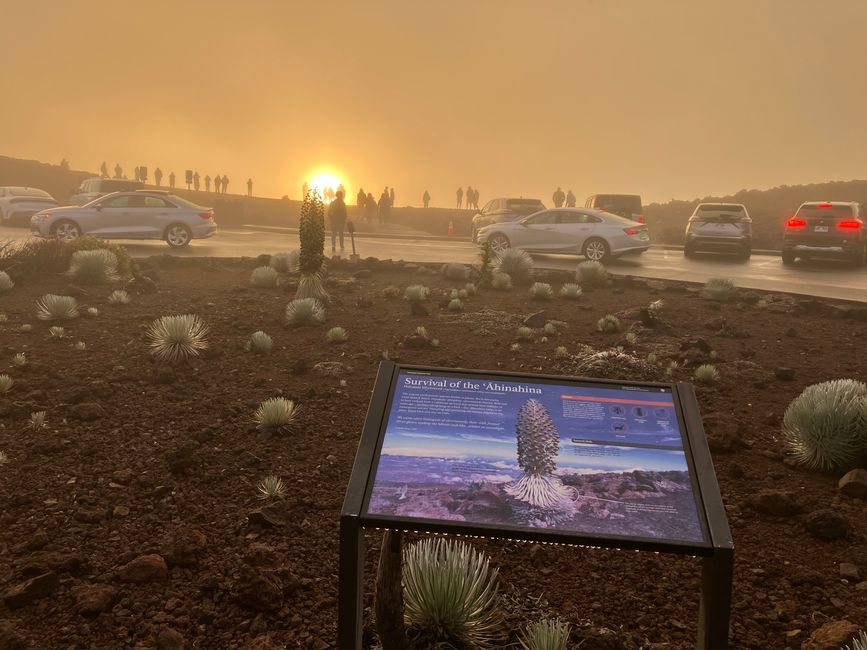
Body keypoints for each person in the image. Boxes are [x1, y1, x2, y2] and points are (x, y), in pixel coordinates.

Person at [328, 189, 348, 254]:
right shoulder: (343, 204)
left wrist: (331, 219)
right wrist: (343, 219)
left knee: (334, 233)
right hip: (340, 220)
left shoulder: (333, 203)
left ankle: (333, 245)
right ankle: (341, 245)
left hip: (334, 220)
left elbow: (329, 212)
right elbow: (345, 213)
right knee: (341, 234)